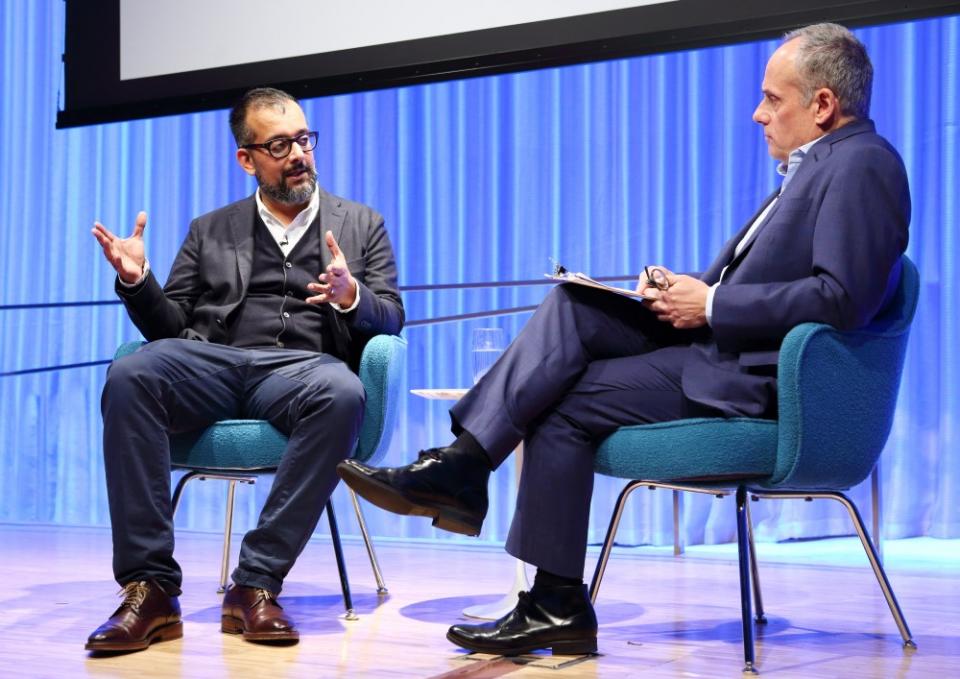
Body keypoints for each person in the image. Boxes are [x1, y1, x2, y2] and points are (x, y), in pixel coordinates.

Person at [339, 23, 910, 657]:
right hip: (722, 350)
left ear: (823, 104)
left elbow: (843, 297)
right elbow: (771, 281)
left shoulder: (864, 163)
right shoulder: (815, 169)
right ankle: (467, 474)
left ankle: (537, 577)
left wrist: (711, 303)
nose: (758, 113)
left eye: (773, 99)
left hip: (758, 380)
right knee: (574, 304)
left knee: (558, 403)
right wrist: (684, 289)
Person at [86, 87, 404, 652]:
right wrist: (138, 282)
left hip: (302, 371)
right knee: (132, 373)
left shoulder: (361, 223)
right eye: (279, 145)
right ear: (247, 158)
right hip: (215, 363)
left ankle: (255, 583)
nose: (298, 154)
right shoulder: (210, 228)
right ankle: (149, 589)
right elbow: (170, 326)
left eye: (303, 139)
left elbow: (392, 317)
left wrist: (352, 296)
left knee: (342, 392)